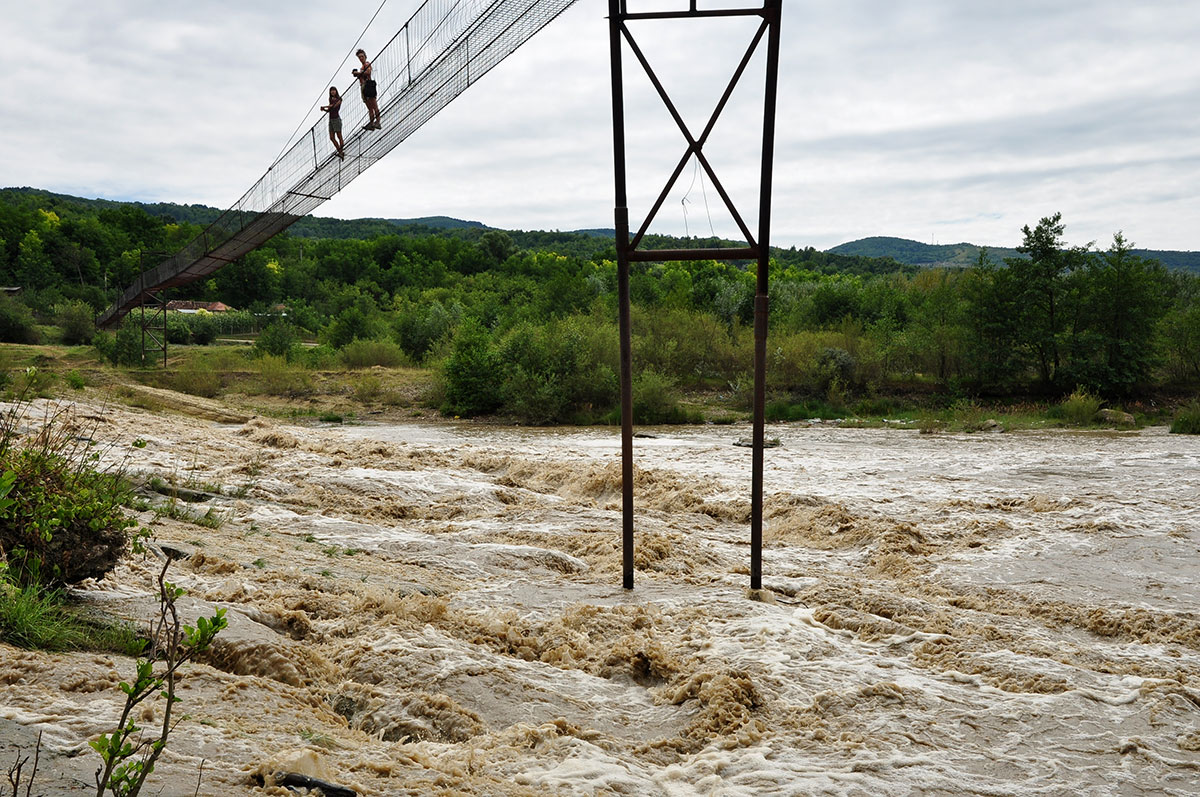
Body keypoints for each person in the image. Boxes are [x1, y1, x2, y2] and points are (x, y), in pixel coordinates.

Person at [353, 49, 382, 130]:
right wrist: (357, 75)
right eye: (359, 57)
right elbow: (363, 75)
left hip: (368, 85)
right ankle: (372, 123)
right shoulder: (362, 67)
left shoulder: (367, 64)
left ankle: (378, 122)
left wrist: (358, 73)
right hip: (363, 86)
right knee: (369, 108)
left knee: (374, 105)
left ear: (365, 56)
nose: (361, 58)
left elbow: (368, 73)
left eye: (362, 56)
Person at [320, 87, 345, 159]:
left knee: (339, 135)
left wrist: (325, 106)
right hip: (331, 120)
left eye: (333, 90)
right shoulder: (330, 99)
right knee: (332, 137)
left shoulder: (339, 99)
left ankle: (341, 151)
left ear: (336, 91)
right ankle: (340, 151)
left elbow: (333, 106)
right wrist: (324, 109)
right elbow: (329, 110)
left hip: (336, 119)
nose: (332, 92)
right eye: (331, 91)